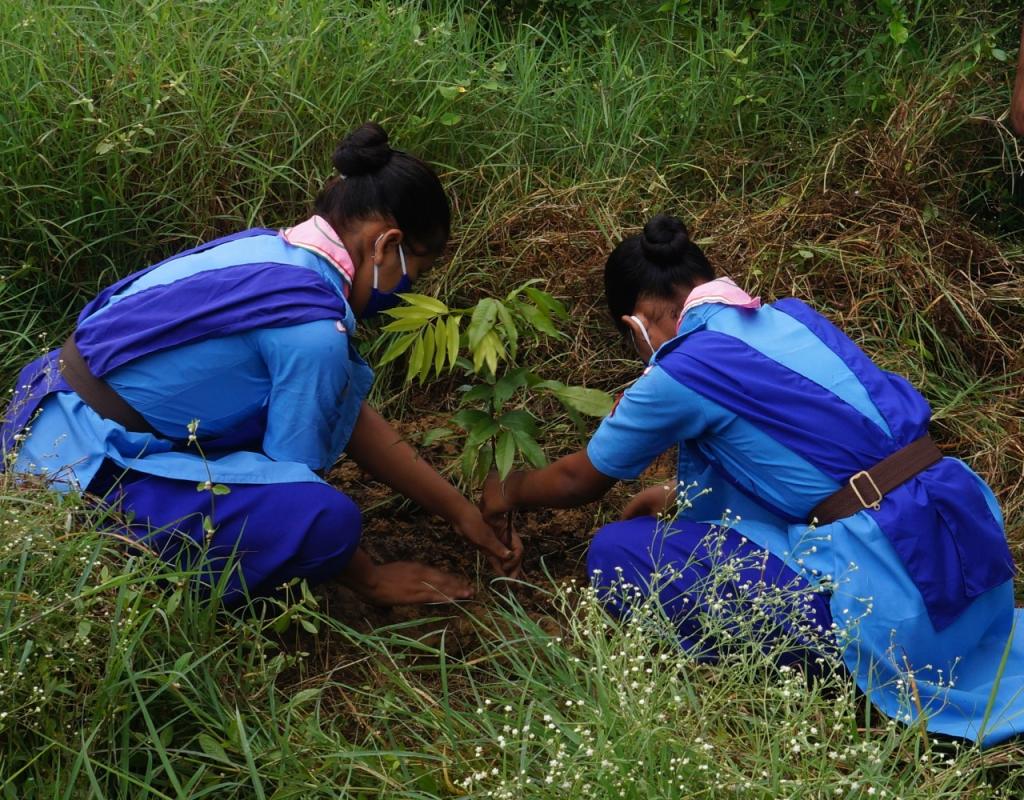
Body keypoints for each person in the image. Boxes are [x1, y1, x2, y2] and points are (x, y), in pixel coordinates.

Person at [480, 213, 1024, 745]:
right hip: (964, 544)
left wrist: (506, 489)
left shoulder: (680, 371)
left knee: (617, 553)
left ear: (635, 325)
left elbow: (578, 481)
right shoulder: (793, 317)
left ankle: (848, 675)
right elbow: (826, 457)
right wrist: (678, 494)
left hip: (891, 595)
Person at [2, 122, 522, 606]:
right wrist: (372, 578)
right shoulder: (314, 329)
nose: (409, 290)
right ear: (387, 245)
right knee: (325, 519)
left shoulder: (266, 250)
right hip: (81, 477)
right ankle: (118, 553)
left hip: (36, 420)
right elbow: (292, 479)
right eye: (417, 273)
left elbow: (344, 409)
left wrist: (458, 511)